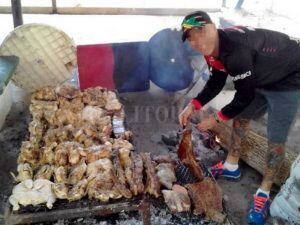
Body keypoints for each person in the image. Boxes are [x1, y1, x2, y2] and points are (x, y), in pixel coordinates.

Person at [178, 11, 300, 225]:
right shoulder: (211, 50)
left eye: (200, 32)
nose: (196, 41)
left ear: (213, 26)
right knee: (240, 117)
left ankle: (263, 192)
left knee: (276, 137)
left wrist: (216, 119)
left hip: (289, 77)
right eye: (190, 37)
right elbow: (216, 80)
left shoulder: (236, 51)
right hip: (260, 73)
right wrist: (193, 104)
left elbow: (244, 95)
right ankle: (231, 167)